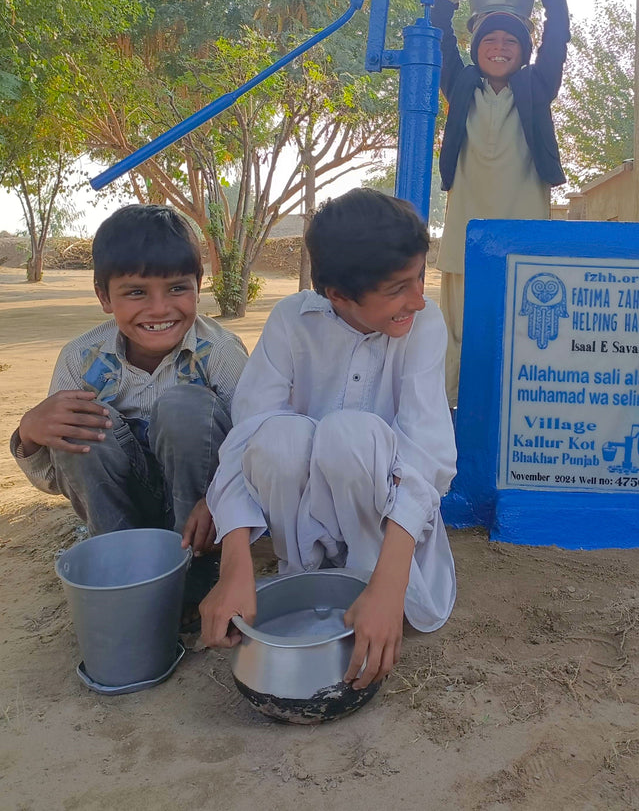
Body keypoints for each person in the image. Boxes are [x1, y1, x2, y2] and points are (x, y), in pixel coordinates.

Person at [199, 188, 457, 690]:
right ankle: (301, 577)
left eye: (420, 277)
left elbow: (426, 458)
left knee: (350, 435)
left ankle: (372, 591)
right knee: (277, 438)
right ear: (337, 295)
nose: (418, 298)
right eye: (398, 288)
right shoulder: (292, 320)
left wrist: (389, 587)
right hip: (301, 520)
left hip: (389, 533)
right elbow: (245, 442)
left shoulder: (424, 323)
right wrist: (235, 566)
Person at [11, 204, 248, 621]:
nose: (159, 309)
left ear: (198, 286)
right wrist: (30, 433)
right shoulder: (80, 360)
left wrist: (219, 500)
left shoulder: (223, 354)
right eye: (136, 292)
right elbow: (57, 478)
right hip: (121, 514)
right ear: (104, 297)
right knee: (78, 421)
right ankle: (125, 572)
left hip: (203, 515)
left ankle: (196, 577)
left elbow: (252, 450)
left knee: (184, 406)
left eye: (177, 288)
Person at [430, 0, 570, 408]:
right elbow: (439, 37)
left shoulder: (535, 87)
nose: (499, 47)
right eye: (490, 40)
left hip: (523, 237)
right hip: (465, 236)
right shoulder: (462, 85)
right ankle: (452, 420)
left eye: (511, 41)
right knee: (459, 335)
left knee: (520, 336)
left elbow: (557, 38)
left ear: (523, 52)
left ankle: (516, 417)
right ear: (477, 49)